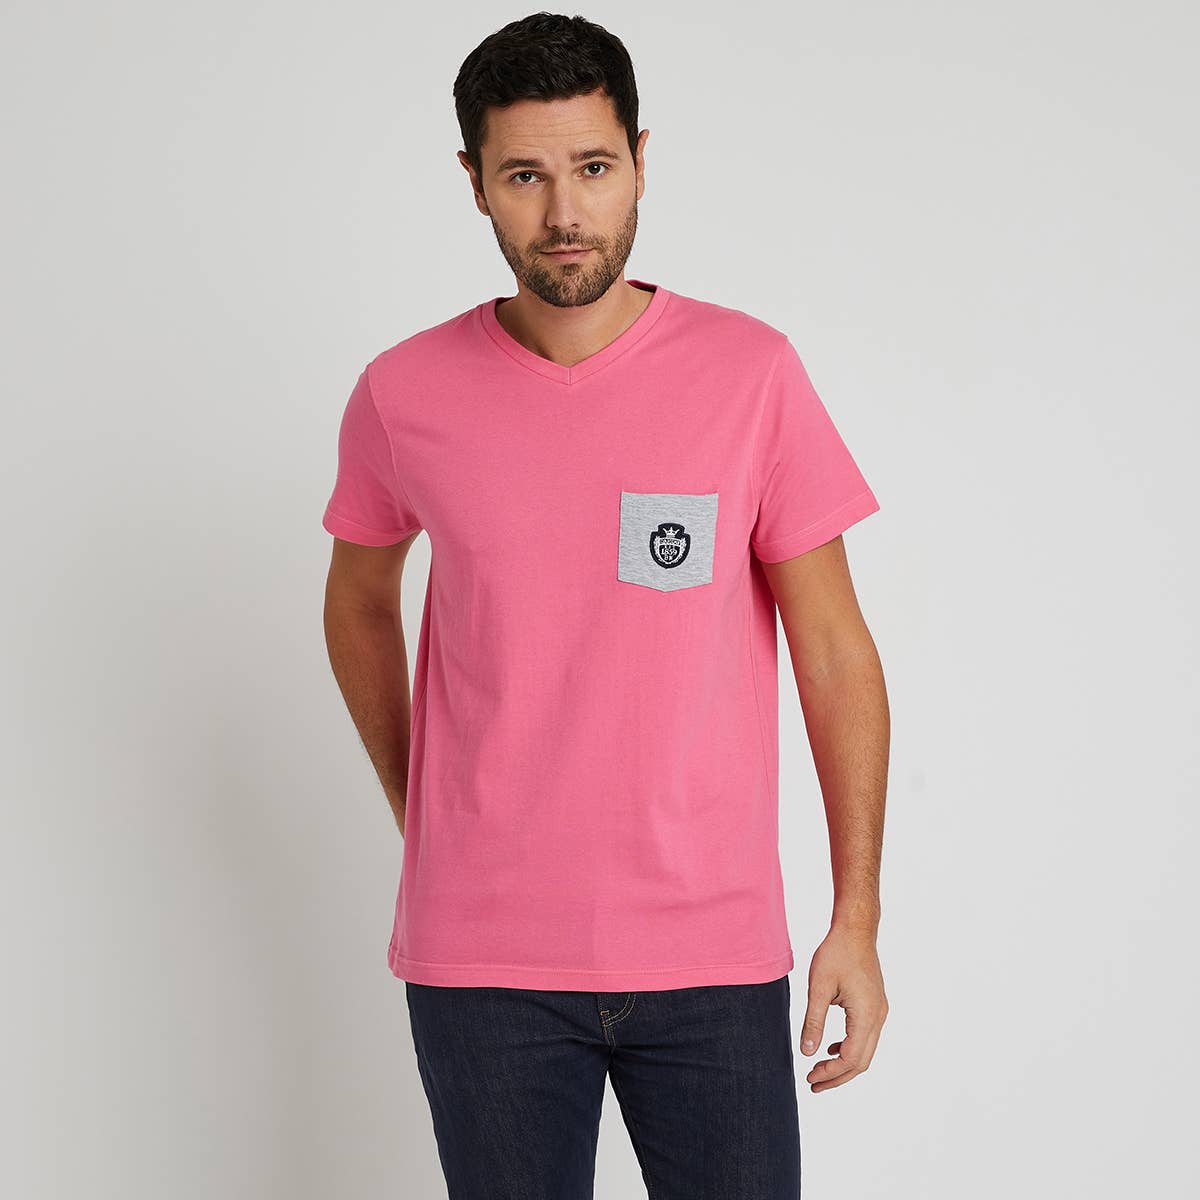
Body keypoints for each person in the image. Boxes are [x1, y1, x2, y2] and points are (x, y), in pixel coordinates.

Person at [321, 12, 889, 1199]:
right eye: (524, 176)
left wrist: (856, 917)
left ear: (639, 158)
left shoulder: (750, 375)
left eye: (592, 166)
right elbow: (359, 599)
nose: (565, 213)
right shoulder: (402, 395)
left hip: (711, 954)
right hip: (484, 966)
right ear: (474, 181)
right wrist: (425, 801)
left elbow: (834, 650)